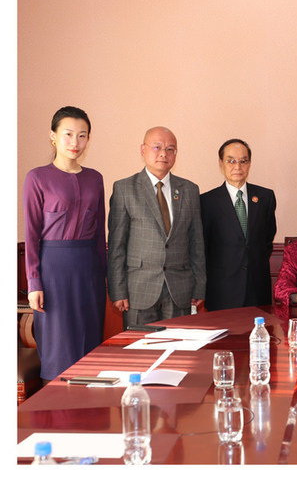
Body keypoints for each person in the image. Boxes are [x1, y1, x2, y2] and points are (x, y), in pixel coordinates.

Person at [24, 106, 107, 380]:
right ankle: (56, 415)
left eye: (82, 136)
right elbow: (32, 233)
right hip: (53, 271)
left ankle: (90, 414)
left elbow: (99, 235)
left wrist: (104, 277)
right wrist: (34, 282)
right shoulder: (37, 177)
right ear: (53, 136)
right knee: (59, 348)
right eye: (68, 134)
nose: (75, 142)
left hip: (89, 272)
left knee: (90, 344)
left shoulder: (95, 178)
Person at [107, 127, 205, 328]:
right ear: (143, 150)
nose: (163, 154)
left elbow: (197, 243)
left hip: (179, 289)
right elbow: (117, 245)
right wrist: (118, 291)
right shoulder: (124, 189)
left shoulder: (190, 190)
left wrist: (199, 287)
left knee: (178, 351)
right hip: (138, 290)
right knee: (140, 354)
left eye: (170, 149)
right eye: (157, 147)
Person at [200, 141, 277, 314]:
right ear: (221, 164)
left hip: (257, 289)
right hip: (221, 291)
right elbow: (203, 247)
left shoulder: (265, 197)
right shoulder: (206, 201)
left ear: (249, 163)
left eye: (243, 161)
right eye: (231, 161)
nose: (238, 166)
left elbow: (267, 240)